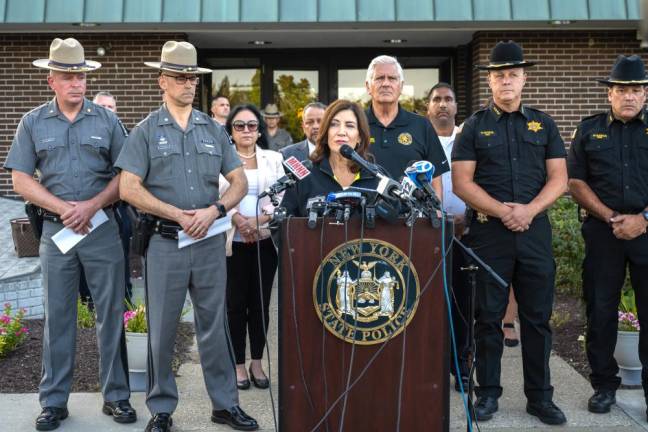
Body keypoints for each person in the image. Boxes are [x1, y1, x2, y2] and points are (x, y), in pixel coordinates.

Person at [115, 41, 258, 432]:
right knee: (161, 329)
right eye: (180, 77)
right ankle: (162, 409)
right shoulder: (145, 131)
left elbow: (239, 181)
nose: (188, 84)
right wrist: (177, 213)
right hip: (165, 243)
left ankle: (225, 405)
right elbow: (128, 187)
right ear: (162, 80)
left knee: (215, 325)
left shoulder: (213, 128)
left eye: (193, 77)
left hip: (209, 240)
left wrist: (215, 210)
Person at [3, 37, 135, 431]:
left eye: (80, 75)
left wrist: (91, 206)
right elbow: (21, 179)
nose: (76, 83)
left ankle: (116, 397)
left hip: (102, 229)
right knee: (57, 317)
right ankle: (54, 402)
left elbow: (125, 175)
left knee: (110, 314)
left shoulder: (107, 121)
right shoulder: (32, 122)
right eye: (67, 76)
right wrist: (64, 209)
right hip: (57, 233)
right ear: (52, 82)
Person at [452, 40, 568, 425]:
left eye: (513, 74)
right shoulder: (473, 126)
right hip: (489, 235)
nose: (506, 81)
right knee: (488, 317)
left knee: (536, 318)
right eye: (499, 75)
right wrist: (505, 212)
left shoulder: (544, 123)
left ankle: (540, 397)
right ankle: (487, 395)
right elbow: (461, 183)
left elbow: (559, 178)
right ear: (490, 81)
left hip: (534, 233)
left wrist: (529, 211)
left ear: (523, 79)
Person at [567, 55, 648, 417]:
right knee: (600, 310)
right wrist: (613, 216)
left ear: (644, 94)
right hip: (603, 233)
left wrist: (643, 218)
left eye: (635, 90)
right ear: (610, 94)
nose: (628, 96)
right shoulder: (588, 130)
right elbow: (575, 181)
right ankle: (603, 385)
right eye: (621, 90)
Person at [220, 104, 285, 390]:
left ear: (260, 129)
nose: (246, 130)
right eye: (239, 125)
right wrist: (238, 220)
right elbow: (214, 193)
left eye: (252, 125)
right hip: (232, 242)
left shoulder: (274, 159)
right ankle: (237, 365)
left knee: (260, 305)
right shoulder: (220, 159)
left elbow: (284, 195)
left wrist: (259, 222)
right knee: (235, 305)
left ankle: (257, 363)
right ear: (230, 131)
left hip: (264, 240)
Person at [426, 82, 471, 392]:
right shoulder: (419, 139)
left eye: (448, 99)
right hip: (427, 233)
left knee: (462, 303)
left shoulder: (468, 139)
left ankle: (462, 366)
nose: (443, 104)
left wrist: (467, 218)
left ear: (456, 107)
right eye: (436, 99)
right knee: (429, 303)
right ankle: (430, 364)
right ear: (428, 107)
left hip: (466, 231)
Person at [74, 91, 134, 309]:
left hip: (114, 210)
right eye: (102, 106)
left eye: (111, 107)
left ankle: (125, 305)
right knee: (82, 266)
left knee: (120, 261)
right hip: (78, 214)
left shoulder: (123, 135)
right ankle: (88, 306)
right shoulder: (79, 134)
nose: (107, 111)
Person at [364, 55, 447, 197]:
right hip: (363, 216)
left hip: (413, 217)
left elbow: (436, 180)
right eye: (379, 78)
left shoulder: (422, 125)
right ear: (368, 86)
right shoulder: (355, 124)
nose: (385, 83)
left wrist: (437, 215)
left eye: (392, 78)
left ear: (401, 86)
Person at [281, 99, 379, 217]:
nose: (341, 132)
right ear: (325, 132)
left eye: (350, 125)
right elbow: (281, 224)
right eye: (334, 124)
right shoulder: (305, 176)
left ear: (359, 137)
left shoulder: (376, 177)